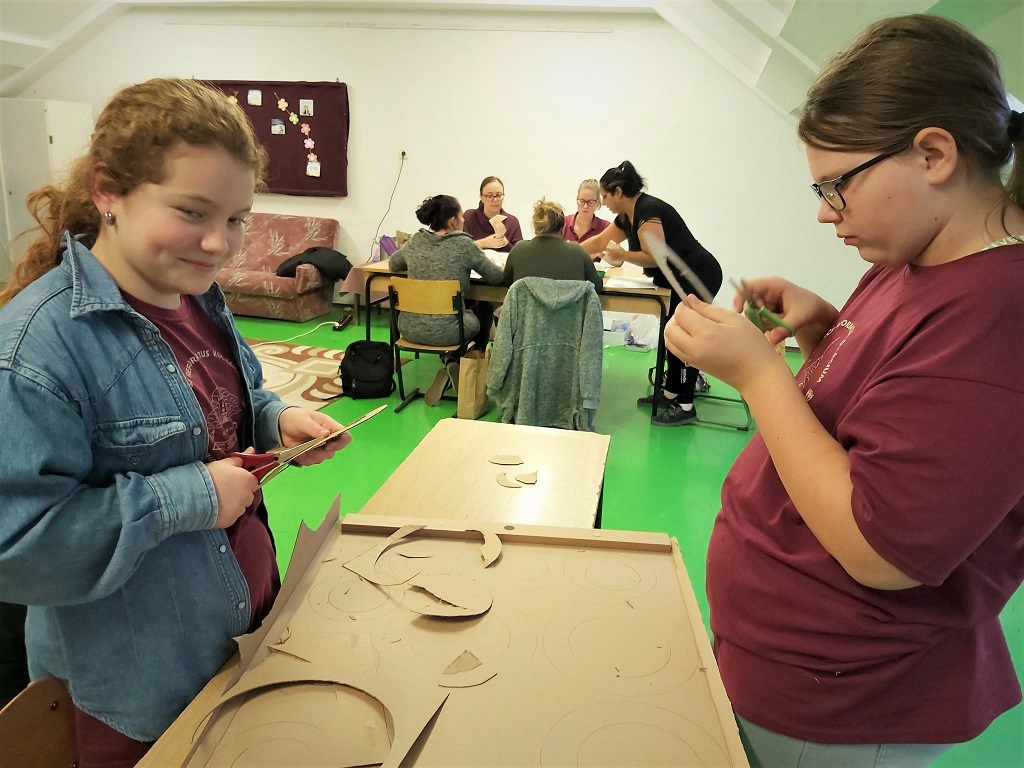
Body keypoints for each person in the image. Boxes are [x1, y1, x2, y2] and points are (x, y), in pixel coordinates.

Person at [664, 15, 1024, 767]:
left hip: (843, 700)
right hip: (797, 665)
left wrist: (758, 377)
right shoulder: (912, 258)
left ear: (933, 154)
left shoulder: (999, 311)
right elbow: (893, 416)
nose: (826, 211)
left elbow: (883, 552)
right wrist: (822, 333)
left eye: (838, 184)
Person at [0, 78, 351, 768]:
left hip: (240, 633)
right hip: (141, 692)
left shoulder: (198, 296)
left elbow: (229, 400)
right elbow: (18, 549)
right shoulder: (35, 352)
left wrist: (277, 420)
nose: (220, 243)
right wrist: (190, 498)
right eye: (192, 211)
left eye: (237, 217)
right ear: (108, 191)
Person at [580, 161, 722, 426]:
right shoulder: (628, 215)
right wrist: (570, 251)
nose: (603, 202)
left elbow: (654, 257)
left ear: (619, 192)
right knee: (670, 335)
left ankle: (686, 405)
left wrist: (623, 255)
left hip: (697, 275)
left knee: (683, 338)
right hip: (678, 279)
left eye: (605, 196)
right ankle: (670, 393)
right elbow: (600, 241)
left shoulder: (647, 211)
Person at [388, 194, 504, 404]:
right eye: (461, 215)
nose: (464, 219)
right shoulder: (464, 244)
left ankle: (450, 360)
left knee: (452, 315)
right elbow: (496, 277)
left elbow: (393, 264)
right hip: (450, 332)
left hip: (409, 328)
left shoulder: (416, 241)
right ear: (452, 221)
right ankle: (468, 361)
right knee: (483, 307)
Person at [502, 197, 602, 292]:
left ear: (535, 228)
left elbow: (505, 282)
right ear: (563, 228)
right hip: (568, 305)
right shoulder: (577, 251)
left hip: (526, 305)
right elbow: (597, 286)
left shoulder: (519, 250)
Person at [461, 176, 524, 253]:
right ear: (481, 197)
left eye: (499, 195)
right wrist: (484, 243)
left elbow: (519, 255)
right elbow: (460, 249)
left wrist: (503, 241)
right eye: (489, 196)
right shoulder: (469, 217)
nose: (495, 200)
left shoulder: (512, 222)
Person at [561, 179, 610, 243]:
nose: (585, 206)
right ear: (577, 199)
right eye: (582, 201)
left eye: (590, 202)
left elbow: (615, 249)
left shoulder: (605, 228)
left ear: (597, 202)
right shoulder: (562, 223)